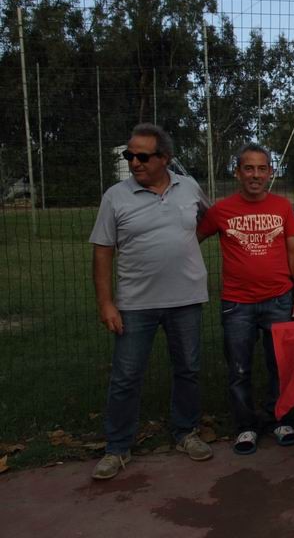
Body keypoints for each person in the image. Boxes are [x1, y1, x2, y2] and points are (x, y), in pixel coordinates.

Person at [89, 123, 213, 480]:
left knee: (187, 369)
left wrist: (184, 244)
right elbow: (102, 252)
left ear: (165, 158)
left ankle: (185, 432)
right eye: (130, 155)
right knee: (126, 376)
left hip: (186, 299)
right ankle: (117, 447)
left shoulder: (188, 187)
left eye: (143, 157)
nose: (134, 162)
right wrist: (106, 304)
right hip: (135, 304)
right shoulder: (115, 196)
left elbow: (209, 220)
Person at [197, 143, 294, 455]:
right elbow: (192, 239)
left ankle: (280, 418)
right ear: (238, 173)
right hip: (237, 304)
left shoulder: (282, 207)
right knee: (239, 369)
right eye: (249, 168)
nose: (255, 175)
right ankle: (245, 426)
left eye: (262, 168)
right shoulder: (221, 211)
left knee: (280, 366)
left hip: (279, 300)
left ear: (270, 173)